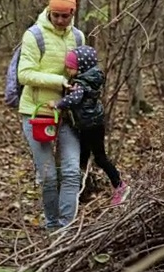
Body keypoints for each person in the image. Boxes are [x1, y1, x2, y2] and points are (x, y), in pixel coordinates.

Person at [17, 0, 85, 231]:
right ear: (49, 11)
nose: (59, 20)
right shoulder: (33, 35)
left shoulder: (77, 37)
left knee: (71, 172)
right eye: (55, 15)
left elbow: (82, 72)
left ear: (72, 13)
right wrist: (58, 81)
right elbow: (24, 74)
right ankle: (52, 228)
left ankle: (65, 232)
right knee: (48, 177)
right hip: (36, 113)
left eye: (65, 16)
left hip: (67, 114)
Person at [47, 45, 131, 205]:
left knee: (100, 158)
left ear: (81, 67)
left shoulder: (81, 83)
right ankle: (78, 190)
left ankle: (120, 186)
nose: (68, 70)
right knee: (82, 157)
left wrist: (57, 104)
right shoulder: (90, 80)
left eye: (70, 68)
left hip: (91, 125)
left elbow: (74, 100)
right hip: (90, 124)